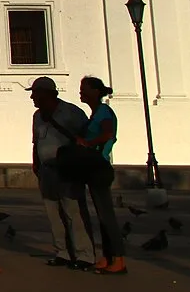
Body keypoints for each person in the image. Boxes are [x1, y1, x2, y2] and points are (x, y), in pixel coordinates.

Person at [29, 76, 96, 270]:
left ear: (46, 93)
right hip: (47, 170)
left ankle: (85, 254)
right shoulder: (37, 116)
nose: (32, 97)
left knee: (73, 211)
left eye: (35, 93)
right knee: (54, 214)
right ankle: (63, 252)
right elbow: (36, 142)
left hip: (67, 169)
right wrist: (36, 163)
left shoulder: (71, 113)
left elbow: (86, 136)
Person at [77, 76, 126, 275]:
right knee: (102, 214)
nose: (81, 92)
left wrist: (87, 143)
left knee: (107, 215)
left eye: (84, 88)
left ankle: (119, 259)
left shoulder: (104, 112)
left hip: (100, 167)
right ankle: (108, 256)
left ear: (96, 91)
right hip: (93, 167)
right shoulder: (96, 113)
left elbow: (108, 133)